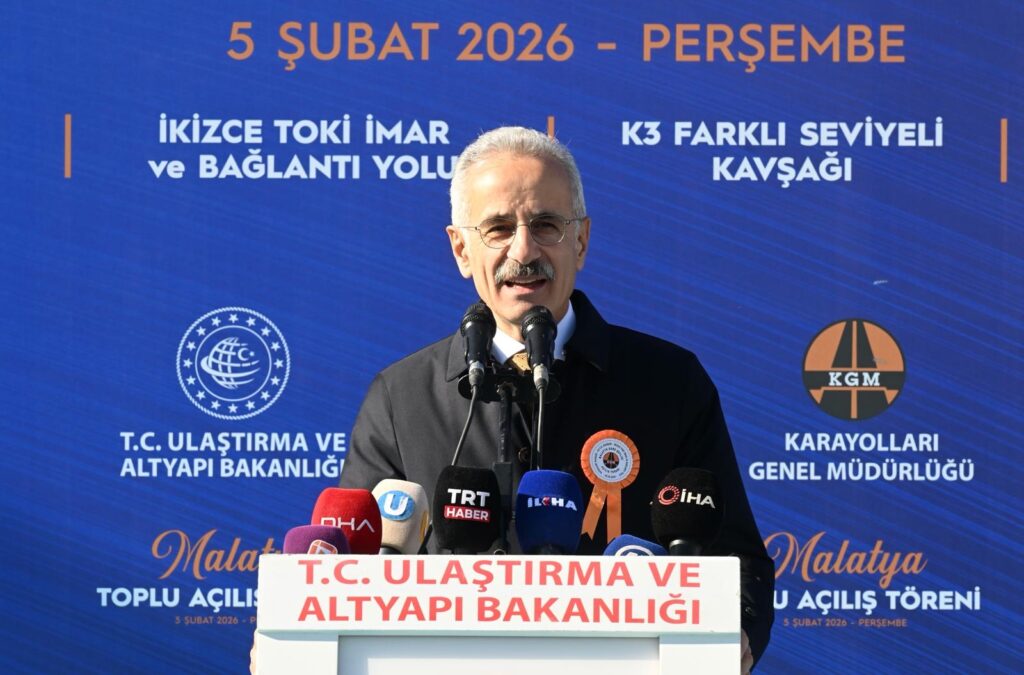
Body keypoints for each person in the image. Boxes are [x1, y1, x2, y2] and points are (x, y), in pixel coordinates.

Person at [339, 126, 773, 670]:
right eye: (498, 228)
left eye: (546, 225)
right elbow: (348, 572)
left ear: (581, 241)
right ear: (461, 249)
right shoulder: (401, 397)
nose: (523, 251)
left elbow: (737, 564)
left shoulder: (670, 383)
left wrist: (733, 637)